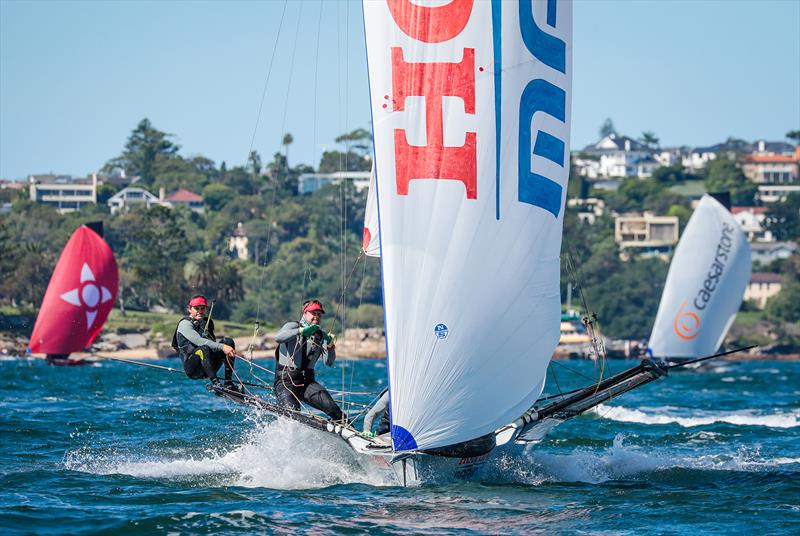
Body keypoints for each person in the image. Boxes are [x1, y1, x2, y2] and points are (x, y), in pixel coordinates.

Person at [274, 299, 346, 422]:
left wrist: (330, 346)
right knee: (292, 416)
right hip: (286, 381)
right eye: (313, 313)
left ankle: (353, 433)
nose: (317, 316)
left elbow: (328, 363)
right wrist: (301, 331)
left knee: (333, 408)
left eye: (319, 314)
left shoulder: (320, 335)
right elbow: (278, 338)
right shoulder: (292, 326)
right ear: (305, 313)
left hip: (307, 382)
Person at [171, 295, 239, 388]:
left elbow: (213, 345)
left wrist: (225, 345)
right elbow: (198, 341)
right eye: (196, 308)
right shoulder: (185, 324)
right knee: (204, 348)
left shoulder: (206, 323)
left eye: (202, 308)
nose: (200, 311)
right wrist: (222, 347)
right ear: (190, 309)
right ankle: (216, 384)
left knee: (228, 341)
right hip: (193, 369)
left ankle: (228, 383)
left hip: (209, 367)